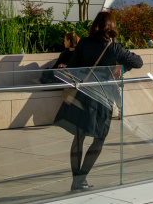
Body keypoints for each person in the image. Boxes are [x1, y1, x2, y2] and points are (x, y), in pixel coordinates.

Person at [54, 11, 143, 192]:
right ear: (112, 27)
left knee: (78, 137)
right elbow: (138, 61)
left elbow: (72, 67)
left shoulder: (84, 43)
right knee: (99, 138)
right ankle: (82, 178)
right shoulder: (114, 48)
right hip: (102, 99)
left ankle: (76, 180)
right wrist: (121, 66)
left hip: (83, 95)